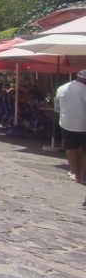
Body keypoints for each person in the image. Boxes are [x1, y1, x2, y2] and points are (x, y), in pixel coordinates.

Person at [56, 70, 86, 199]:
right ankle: (84, 175)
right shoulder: (84, 89)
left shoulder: (62, 88)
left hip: (65, 122)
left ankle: (74, 172)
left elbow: (57, 106)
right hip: (83, 124)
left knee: (70, 148)